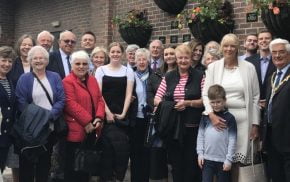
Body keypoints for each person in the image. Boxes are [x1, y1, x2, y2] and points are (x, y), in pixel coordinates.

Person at [202, 33, 260, 181]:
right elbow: (205, 94)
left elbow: (255, 97)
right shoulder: (213, 67)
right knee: (217, 161)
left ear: (238, 48)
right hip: (220, 122)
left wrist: (255, 124)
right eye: (226, 45)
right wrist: (212, 115)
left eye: (232, 45)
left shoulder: (249, 68)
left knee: (238, 163)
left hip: (243, 122)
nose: (229, 49)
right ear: (222, 48)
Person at [15, 46, 65, 182]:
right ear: (30, 61)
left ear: (46, 60)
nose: (38, 60)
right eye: (35, 58)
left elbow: (61, 99)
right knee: (27, 164)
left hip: (49, 127)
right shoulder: (24, 79)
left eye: (41, 58)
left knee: (45, 162)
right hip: (30, 129)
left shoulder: (54, 77)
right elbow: (21, 102)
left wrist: (49, 116)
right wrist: (36, 119)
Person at [154, 44, 204, 182]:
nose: (183, 61)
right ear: (176, 59)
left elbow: (205, 100)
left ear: (190, 58)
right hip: (173, 127)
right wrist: (171, 105)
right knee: (176, 164)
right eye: (180, 58)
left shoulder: (200, 76)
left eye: (186, 57)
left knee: (191, 164)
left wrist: (188, 103)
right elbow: (157, 98)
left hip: (192, 127)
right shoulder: (169, 76)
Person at [62, 50, 105, 182]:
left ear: (88, 65)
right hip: (76, 130)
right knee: (73, 167)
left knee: (86, 167)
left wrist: (98, 117)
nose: (81, 66)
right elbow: (70, 104)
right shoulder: (67, 81)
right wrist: (88, 122)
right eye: (78, 63)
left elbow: (99, 100)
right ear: (72, 65)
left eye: (84, 63)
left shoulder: (92, 80)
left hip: (92, 129)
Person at [95, 42, 134, 181]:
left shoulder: (128, 71)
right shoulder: (101, 71)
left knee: (122, 152)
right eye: (113, 51)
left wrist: (123, 113)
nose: (115, 54)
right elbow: (99, 94)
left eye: (118, 51)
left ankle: (119, 178)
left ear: (122, 53)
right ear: (109, 53)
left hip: (122, 117)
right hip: (107, 117)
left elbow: (129, 94)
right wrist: (107, 112)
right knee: (107, 152)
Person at [146, 46, 176, 182]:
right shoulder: (157, 73)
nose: (169, 56)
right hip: (159, 117)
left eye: (172, 54)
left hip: (175, 117)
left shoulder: (180, 72)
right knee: (159, 151)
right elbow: (149, 93)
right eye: (167, 54)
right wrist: (157, 105)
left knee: (173, 153)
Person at [197, 84, 237, 182]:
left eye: (218, 102)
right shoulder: (205, 116)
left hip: (223, 161)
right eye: (212, 102)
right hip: (207, 160)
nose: (215, 105)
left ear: (224, 100)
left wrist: (229, 159)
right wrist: (200, 154)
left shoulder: (230, 118)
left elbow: (233, 140)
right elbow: (200, 136)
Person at [263, 38, 290, 182]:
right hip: (272, 137)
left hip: (287, 137)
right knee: (276, 175)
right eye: (274, 53)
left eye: (282, 52)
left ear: (289, 55)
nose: (277, 56)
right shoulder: (272, 76)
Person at [128, 48, 151, 182]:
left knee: (147, 153)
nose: (141, 62)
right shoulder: (130, 75)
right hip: (135, 119)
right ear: (135, 61)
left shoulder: (155, 76)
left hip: (149, 120)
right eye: (139, 59)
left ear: (148, 61)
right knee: (135, 153)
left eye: (144, 59)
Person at [0, 46, 17, 181]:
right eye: (4, 60)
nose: (7, 64)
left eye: (10, 61)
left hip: (5, 136)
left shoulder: (8, 81)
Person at [246, 31, 275, 108]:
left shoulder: (278, 60)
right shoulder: (248, 61)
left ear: (272, 41)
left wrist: (269, 100)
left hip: (273, 105)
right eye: (261, 39)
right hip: (253, 105)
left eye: (267, 38)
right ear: (258, 42)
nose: (264, 41)